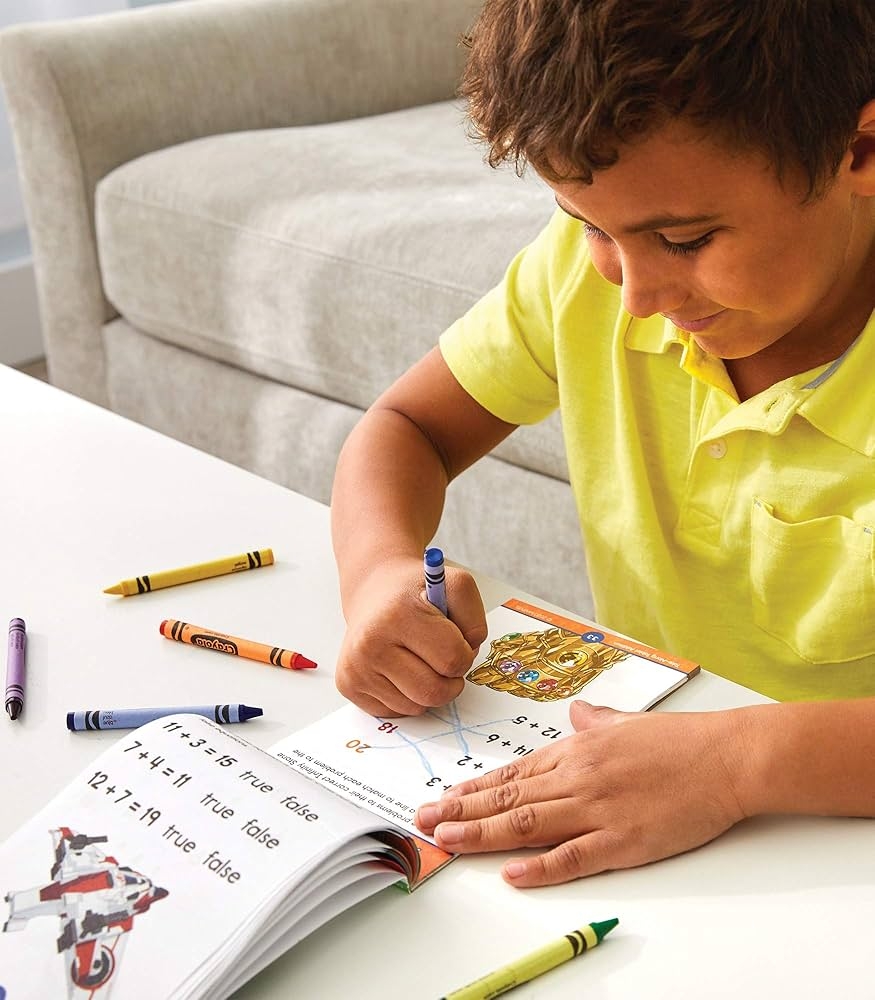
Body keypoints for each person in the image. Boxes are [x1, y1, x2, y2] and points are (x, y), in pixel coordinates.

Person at [330, 0, 875, 888]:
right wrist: (376, 574)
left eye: (684, 240)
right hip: (646, 800)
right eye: (589, 226)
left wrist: (734, 764)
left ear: (860, 152)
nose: (635, 296)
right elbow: (408, 428)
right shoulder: (583, 276)